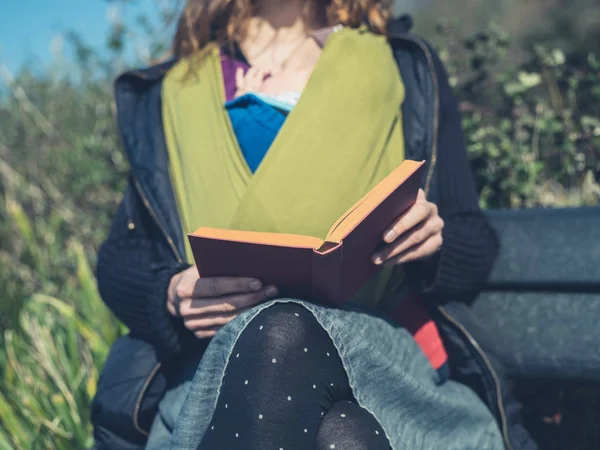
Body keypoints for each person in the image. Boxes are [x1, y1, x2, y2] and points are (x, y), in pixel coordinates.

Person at [91, 0, 539, 449]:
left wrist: (433, 244)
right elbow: (120, 257)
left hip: (375, 358)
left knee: (283, 331)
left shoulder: (402, 66)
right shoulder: (173, 91)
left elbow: (473, 239)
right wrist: (169, 295)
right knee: (343, 435)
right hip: (214, 368)